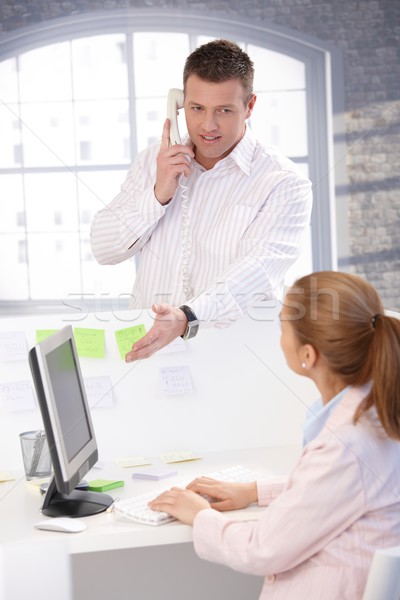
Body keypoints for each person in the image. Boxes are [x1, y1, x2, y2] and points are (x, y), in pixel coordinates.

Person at [149, 271, 400, 599]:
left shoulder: (346, 442)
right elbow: (340, 487)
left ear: (308, 356)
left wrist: (198, 513)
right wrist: (253, 490)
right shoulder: (378, 410)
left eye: (283, 326)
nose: (280, 337)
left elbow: (261, 549)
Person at [91, 39, 312, 361]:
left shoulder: (283, 183)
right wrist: (159, 193)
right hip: (152, 354)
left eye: (224, 110)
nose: (208, 126)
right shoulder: (154, 161)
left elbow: (256, 272)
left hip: (235, 359)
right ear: (180, 105)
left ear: (249, 107)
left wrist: (187, 316)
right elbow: (104, 249)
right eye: (197, 109)